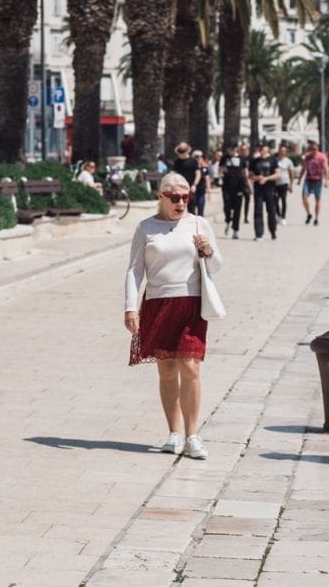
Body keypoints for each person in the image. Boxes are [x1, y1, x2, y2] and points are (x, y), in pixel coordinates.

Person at [125, 172, 222, 460]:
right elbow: (134, 270)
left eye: (185, 197)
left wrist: (207, 251)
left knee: (190, 368)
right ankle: (174, 433)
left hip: (190, 303)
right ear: (161, 197)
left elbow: (217, 265)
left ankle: (193, 436)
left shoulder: (199, 224)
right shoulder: (146, 228)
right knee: (167, 370)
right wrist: (130, 307)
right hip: (158, 303)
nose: (180, 202)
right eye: (174, 197)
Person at [247, 143, 278, 241]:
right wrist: (257, 178)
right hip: (258, 189)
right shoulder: (254, 161)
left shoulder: (273, 159)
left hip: (270, 189)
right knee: (258, 211)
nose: (261, 149)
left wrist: (266, 178)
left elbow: (278, 174)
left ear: (267, 148)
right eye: (259, 147)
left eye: (263, 147)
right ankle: (259, 234)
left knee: (271, 211)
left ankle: (273, 231)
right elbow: (250, 176)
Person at [297, 141, 329, 226]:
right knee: (304, 198)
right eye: (311, 149)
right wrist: (299, 179)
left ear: (317, 148)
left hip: (318, 180)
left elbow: (326, 169)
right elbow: (304, 168)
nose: (313, 150)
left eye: (314, 149)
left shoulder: (322, 157)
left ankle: (316, 218)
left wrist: (327, 181)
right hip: (308, 180)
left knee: (317, 199)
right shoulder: (307, 157)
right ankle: (309, 214)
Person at [219, 142, 247, 240]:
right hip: (227, 186)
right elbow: (221, 169)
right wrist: (221, 175)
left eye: (231, 149)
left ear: (236, 149)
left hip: (238, 186)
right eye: (228, 149)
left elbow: (245, 172)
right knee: (226, 206)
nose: (229, 151)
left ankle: (235, 230)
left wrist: (247, 185)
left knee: (237, 209)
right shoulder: (224, 158)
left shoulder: (242, 159)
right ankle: (228, 220)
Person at [170, 142, 202, 215]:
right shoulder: (177, 161)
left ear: (187, 152)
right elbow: (173, 173)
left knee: (191, 209)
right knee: (179, 208)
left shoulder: (193, 161)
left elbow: (198, 174)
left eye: (182, 152)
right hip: (179, 188)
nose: (180, 155)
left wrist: (194, 185)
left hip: (190, 188)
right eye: (180, 153)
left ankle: (192, 221)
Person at [275, 145, 293, 222]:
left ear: (285, 152)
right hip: (275, 183)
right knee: (275, 200)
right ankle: (278, 215)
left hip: (284, 183)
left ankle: (283, 217)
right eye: (281, 151)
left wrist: (291, 185)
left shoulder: (288, 161)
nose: (282, 152)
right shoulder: (275, 160)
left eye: (284, 151)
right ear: (278, 151)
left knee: (283, 200)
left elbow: (291, 174)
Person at [192, 150, 209, 216]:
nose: (199, 158)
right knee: (192, 212)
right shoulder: (190, 168)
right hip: (192, 192)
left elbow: (207, 179)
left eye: (200, 156)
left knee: (200, 212)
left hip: (201, 192)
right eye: (197, 156)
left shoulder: (204, 168)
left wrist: (208, 189)